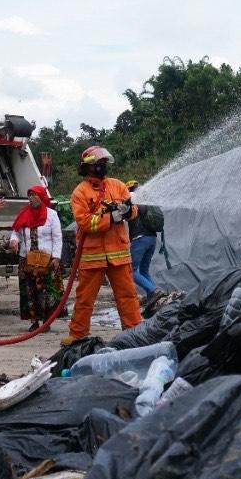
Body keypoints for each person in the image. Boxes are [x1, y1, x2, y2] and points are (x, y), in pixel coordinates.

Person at [63, 146, 142, 345]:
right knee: (85, 299)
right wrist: (110, 218)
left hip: (119, 254)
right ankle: (77, 336)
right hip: (93, 256)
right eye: (100, 163)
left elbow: (134, 211)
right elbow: (84, 222)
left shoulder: (117, 186)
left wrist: (127, 212)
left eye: (105, 163)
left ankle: (135, 334)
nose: (103, 167)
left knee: (128, 296)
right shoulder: (80, 192)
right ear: (89, 166)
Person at [10, 184, 63, 332]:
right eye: (30, 195)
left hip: (47, 261)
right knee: (30, 291)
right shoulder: (24, 214)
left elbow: (57, 237)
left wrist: (57, 257)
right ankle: (34, 321)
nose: (31, 198)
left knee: (46, 291)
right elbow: (16, 232)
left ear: (42, 197)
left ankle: (47, 321)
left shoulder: (51, 214)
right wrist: (14, 241)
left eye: (35, 195)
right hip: (27, 260)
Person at [124, 179, 161, 307]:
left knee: (131, 270)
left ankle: (153, 290)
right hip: (152, 239)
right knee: (144, 271)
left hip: (140, 239)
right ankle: (155, 295)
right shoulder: (146, 200)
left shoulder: (132, 198)